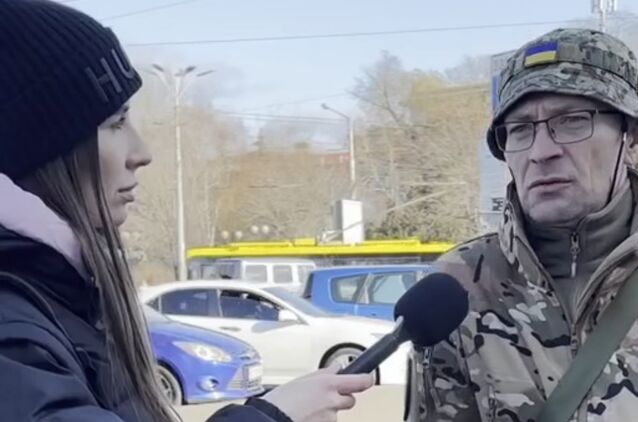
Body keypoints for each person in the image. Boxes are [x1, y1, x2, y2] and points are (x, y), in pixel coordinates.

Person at [0, 1, 373, 421]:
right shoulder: (13, 322)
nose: (141, 153)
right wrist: (274, 417)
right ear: (35, 148)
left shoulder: (59, 293)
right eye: (115, 124)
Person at [407, 28, 638, 421]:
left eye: (572, 121)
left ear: (633, 140)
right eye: (520, 129)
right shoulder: (459, 286)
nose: (541, 152)